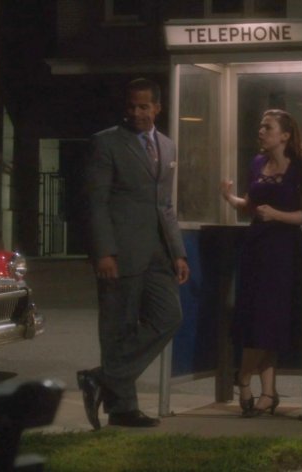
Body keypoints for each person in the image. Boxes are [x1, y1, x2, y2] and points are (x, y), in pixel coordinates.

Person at [77, 78, 189, 429]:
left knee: (169, 317)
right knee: (118, 329)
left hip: (158, 253)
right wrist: (104, 253)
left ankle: (101, 377)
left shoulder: (168, 147)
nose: (137, 113)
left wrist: (178, 252)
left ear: (158, 107)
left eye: (144, 106)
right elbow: (95, 204)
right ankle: (123, 409)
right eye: (131, 106)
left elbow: (165, 206)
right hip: (120, 253)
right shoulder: (106, 143)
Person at [221, 109, 302, 418]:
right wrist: (230, 200)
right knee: (254, 317)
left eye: (267, 127)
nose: (261, 131)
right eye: (260, 126)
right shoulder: (257, 164)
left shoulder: (300, 168)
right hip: (256, 247)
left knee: (272, 320)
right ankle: (267, 391)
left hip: (284, 251)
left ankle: (245, 379)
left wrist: (278, 216)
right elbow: (252, 205)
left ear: (284, 135)